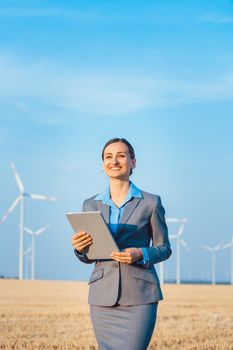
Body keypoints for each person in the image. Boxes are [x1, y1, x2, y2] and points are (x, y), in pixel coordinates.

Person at [71, 137, 172, 350]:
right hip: (102, 297)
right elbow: (88, 256)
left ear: (133, 162)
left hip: (140, 296)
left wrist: (141, 253)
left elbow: (164, 248)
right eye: (108, 157)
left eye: (121, 156)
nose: (114, 161)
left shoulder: (151, 202)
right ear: (102, 164)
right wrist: (80, 249)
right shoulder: (89, 204)